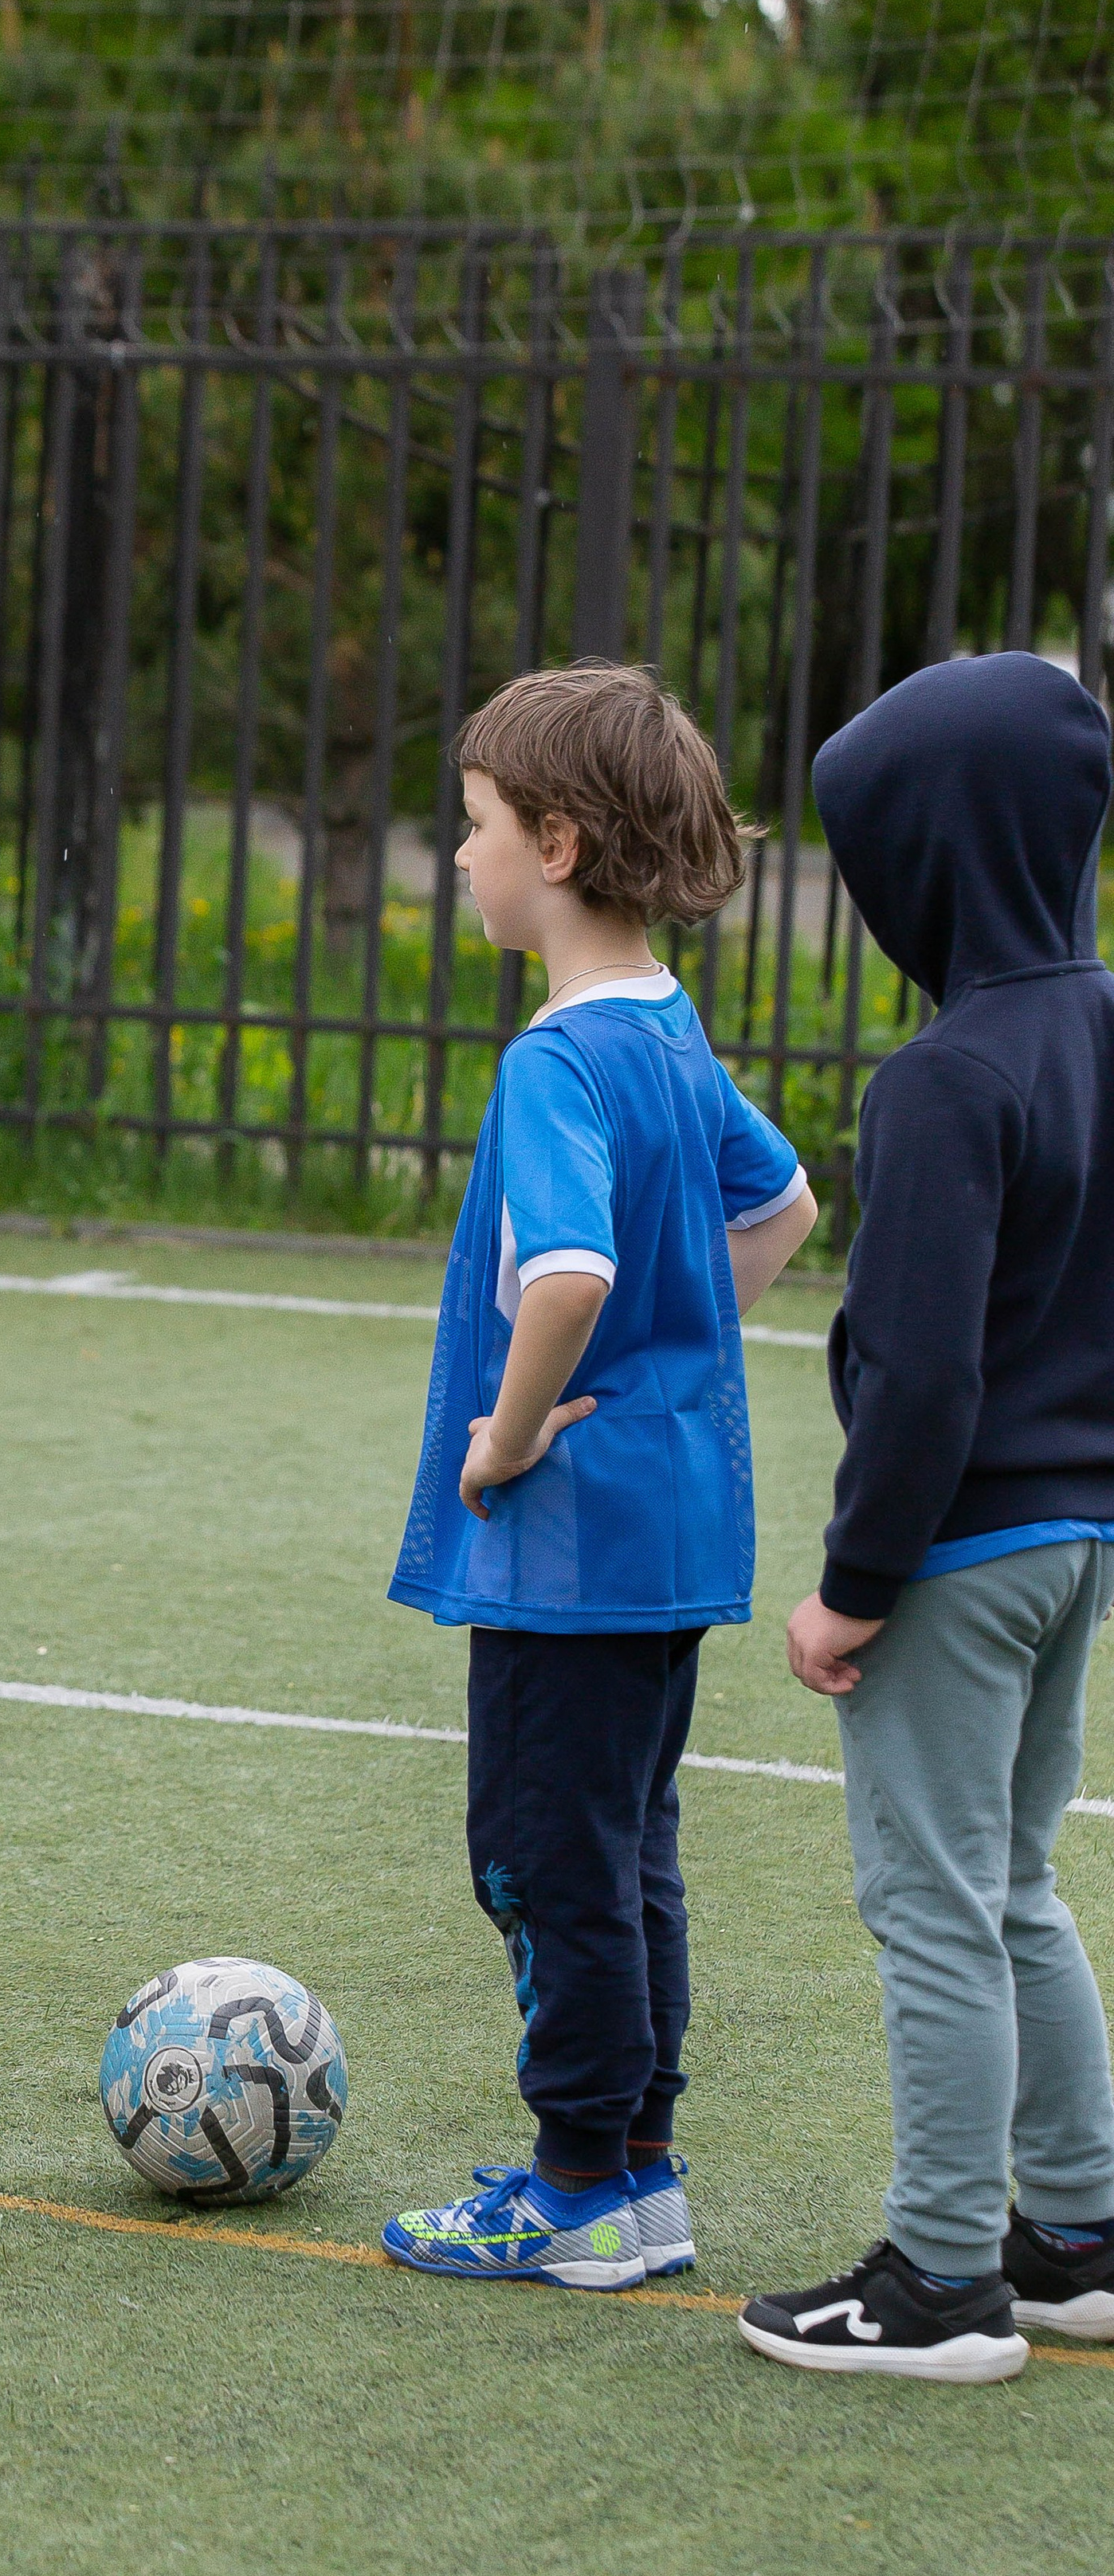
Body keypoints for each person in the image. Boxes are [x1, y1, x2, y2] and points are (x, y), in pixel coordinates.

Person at [381, 663, 818, 2288]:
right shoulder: (668, 1029)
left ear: (554, 843)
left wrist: (505, 1434)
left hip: (569, 1540)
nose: (457, 855)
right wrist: (668, 1349)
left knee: (540, 1850)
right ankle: (635, 2171)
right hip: (671, 1516)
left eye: (473, 825)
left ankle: (573, 2190)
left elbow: (560, 1272)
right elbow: (780, 1214)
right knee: (626, 1847)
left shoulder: (554, 1061)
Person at [742, 653, 1114, 2384]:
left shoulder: (942, 1078)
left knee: (931, 1905)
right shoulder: (1097, 1024)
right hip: (1076, 1539)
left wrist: (849, 1582)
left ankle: (943, 2279)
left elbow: (916, 1374)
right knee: (1014, 1884)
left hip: (954, 1560)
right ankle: (1075, 2234)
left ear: (930, 859)